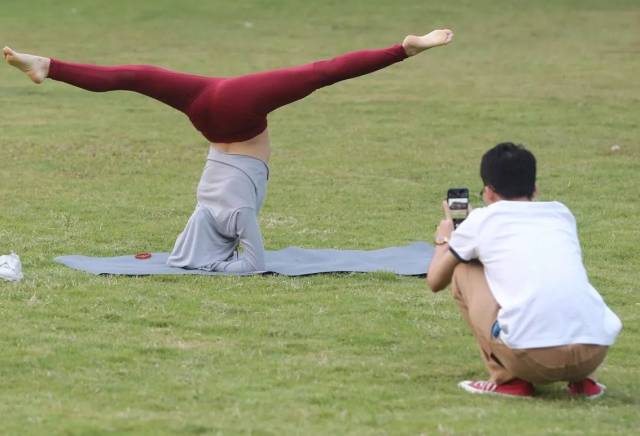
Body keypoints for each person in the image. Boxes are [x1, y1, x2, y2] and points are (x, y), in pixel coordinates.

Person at [3, 29, 454, 273]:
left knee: (318, 74)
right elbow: (250, 263)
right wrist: (225, 267)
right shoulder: (230, 214)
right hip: (219, 116)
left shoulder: (220, 214)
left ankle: (49, 65)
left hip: (225, 115)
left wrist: (215, 264)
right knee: (137, 76)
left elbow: (198, 257)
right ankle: (404, 49)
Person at [427, 142, 622, 398]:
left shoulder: (480, 221)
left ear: (488, 193)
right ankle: (584, 382)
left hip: (534, 358)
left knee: (463, 268)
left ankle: (507, 380)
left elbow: (434, 281)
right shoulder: (561, 214)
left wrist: (445, 239)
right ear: (535, 188)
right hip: (594, 352)